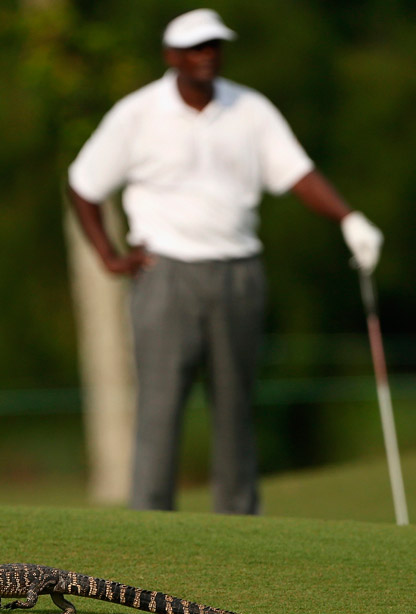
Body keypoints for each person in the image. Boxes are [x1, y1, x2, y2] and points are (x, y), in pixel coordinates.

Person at [67, 9, 383, 514]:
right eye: (195, 48)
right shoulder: (138, 113)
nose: (207, 55)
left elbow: (298, 173)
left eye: (214, 46)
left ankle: (238, 528)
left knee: (236, 407)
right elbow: (83, 184)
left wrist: (348, 218)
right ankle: (149, 524)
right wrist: (107, 255)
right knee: (160, 409)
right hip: (164, 272)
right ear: (171, 56)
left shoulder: (250, 109)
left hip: (239, 272)